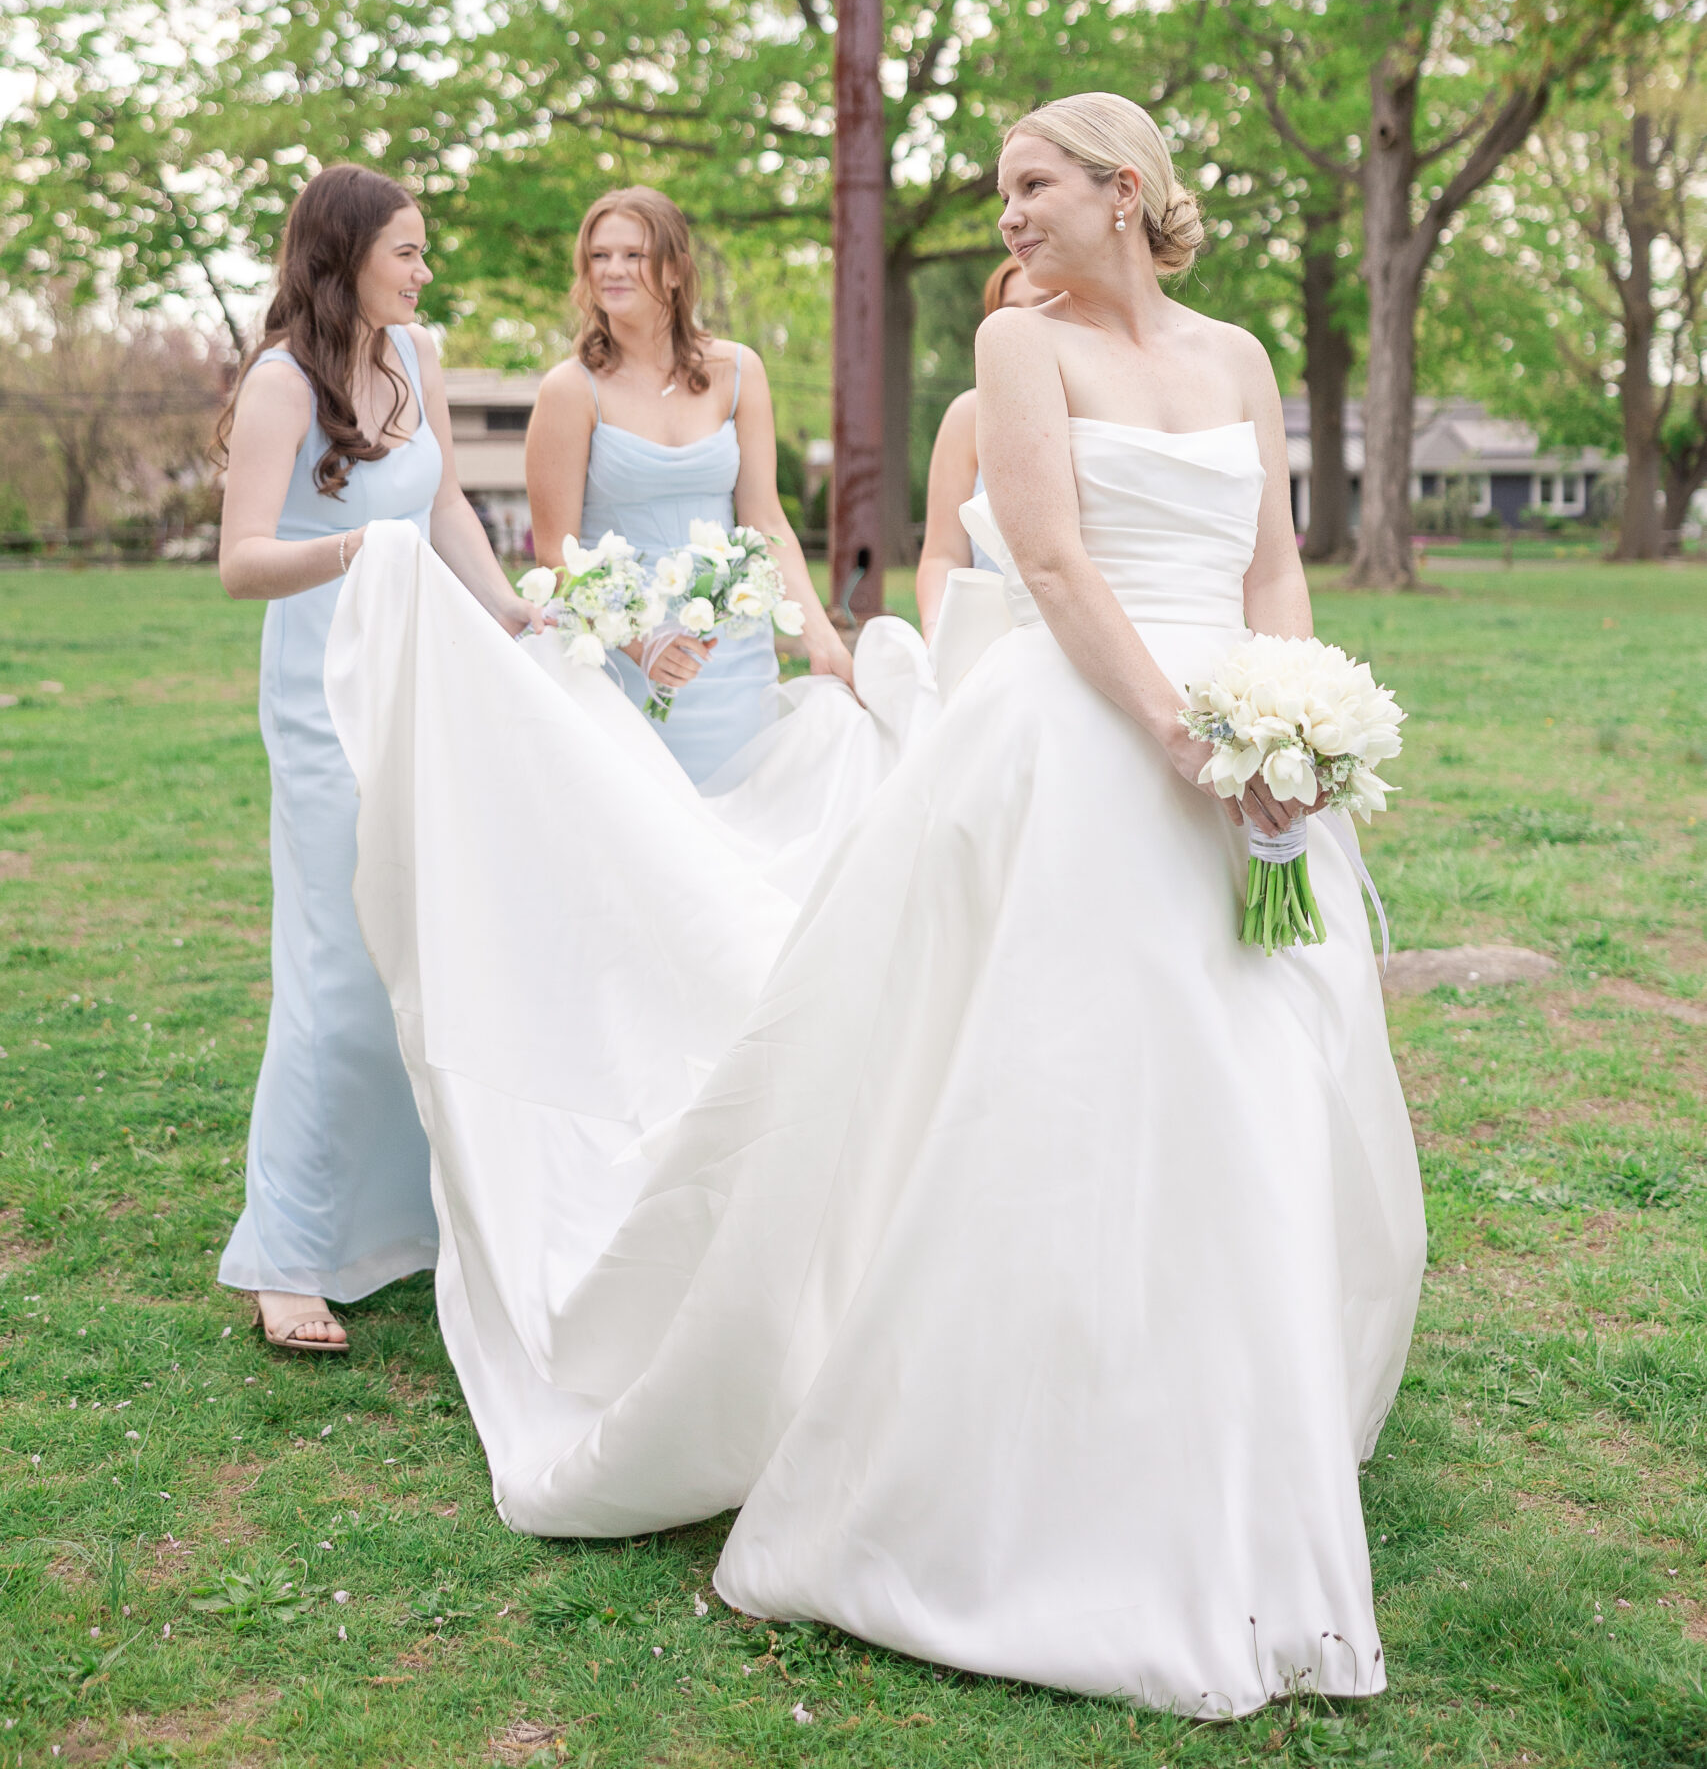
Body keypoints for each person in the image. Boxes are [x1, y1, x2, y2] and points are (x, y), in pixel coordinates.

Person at [327, 94, 1425, 1716]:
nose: (1007, 217)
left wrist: (1289, 710)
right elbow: (1047, 559)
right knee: (1063, 1086)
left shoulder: (1242, 359)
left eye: (1031, 187)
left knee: (1252, 1080)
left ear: (1125, 190)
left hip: (1254, 768)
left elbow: (1269, 561)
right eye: (999, 193)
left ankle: (1222, 1421)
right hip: (1095, 749)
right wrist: (1192, 742)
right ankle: (1010, 1447)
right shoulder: (1020, 355)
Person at [215, 166, 542, 1354]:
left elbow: (445, 499)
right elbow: (242, 562)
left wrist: (505, 609)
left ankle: (403, 1221)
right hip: (320, 687)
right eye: (406, 250)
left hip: (423, 674)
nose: (422, 269)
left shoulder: (418, 353)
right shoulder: (281, 381)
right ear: (344, 253)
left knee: (422, 943)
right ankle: (286, 1252)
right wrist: (357, 546)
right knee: (335, 965)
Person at [524, 185, 851, 786]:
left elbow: (765, 519)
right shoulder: (570, 390)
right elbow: (556, 555)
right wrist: (642, 643)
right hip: (619, 657)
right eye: (599, 256)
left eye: (634, 255)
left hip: (731, 649)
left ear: (674, 270)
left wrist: (819, 632)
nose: (613, 270)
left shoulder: (738, 370)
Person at [915, 254, 1046, 639]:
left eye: (1044, 305)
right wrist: (937, 634)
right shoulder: (969, 415)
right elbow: (941, 556)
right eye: (1011, 312)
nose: (1026, 324)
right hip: (986, 639)